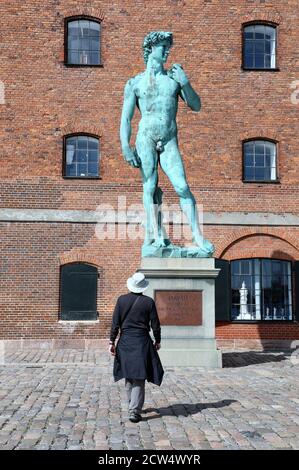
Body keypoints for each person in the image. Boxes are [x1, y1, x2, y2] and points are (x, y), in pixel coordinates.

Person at [119, 31, 214, 256]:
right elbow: (125, 118)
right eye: (163, 47)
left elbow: (196, 105)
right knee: (149, 186)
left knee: (182, 187)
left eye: (167, 47)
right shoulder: (135, 83)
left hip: (169, 138)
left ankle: (198, 237)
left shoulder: (174, 79)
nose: (167, 51)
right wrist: (125, 146)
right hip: (146, 137)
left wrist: (186, 83)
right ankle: (153, 235)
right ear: (151, 49)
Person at [109, 272, 164, 423]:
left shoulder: (121, 300)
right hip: (141, 341)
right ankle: (134, 410)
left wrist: (111, 342)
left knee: (129, 376)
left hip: (125, 341)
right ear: (143, 287)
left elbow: (115, 323)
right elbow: (155, 325)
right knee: (139, 377)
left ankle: (132, 406)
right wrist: (157, 340)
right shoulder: (148, 302)